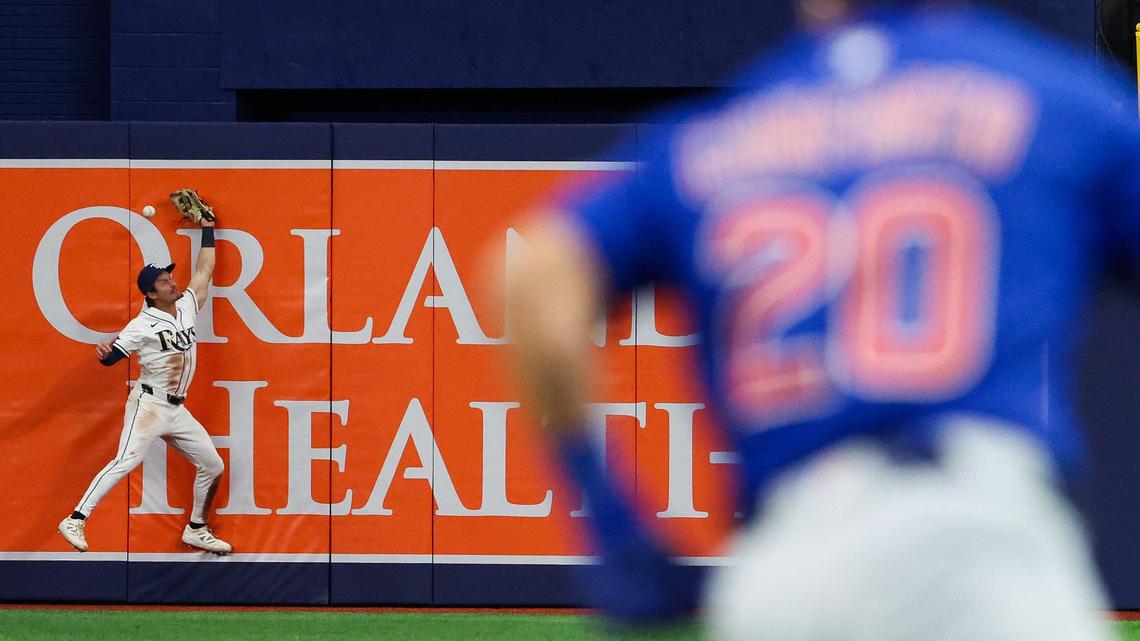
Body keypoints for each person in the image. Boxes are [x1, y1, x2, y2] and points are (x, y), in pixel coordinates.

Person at [504, 1, 1137, 639]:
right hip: (967, 537)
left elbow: (533, 275)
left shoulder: (715, 134)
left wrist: (612, 523)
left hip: (782, 571)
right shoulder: (1049, 95)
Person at [58, 209, 232, 555]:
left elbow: (204, 272)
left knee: (213, 465)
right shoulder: (142, 324)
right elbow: (114, 357)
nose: (171, 281)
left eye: (169, 276)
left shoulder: (185, 307)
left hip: (177, 408)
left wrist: (207, 231)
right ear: (151, 294)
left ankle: (197, 528)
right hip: (149, 404)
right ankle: (75, 519)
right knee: (126, 460)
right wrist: (105, 353)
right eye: (164, 281)